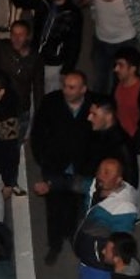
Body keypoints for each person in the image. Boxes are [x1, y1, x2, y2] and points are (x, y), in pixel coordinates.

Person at [31, 71, 92, 265]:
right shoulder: (51, 102)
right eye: (65, 86)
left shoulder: (93, 106)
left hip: (81, 169)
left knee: (78, 208)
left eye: (72, 87)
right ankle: (55, 244)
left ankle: (75, 238)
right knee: (54, 208)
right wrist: (43, 160)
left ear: (83, 89)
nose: (66, 91)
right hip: (56, 168)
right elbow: (38, 133)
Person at [0, 5, 42, 133]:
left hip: (20, 109)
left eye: (21, 35)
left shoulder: (35, 59)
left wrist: (39, 116)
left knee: (16, 138)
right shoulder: (4, 48)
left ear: (28, 36)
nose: (16, 38)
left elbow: (38, 88)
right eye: (13, 34)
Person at [11, 0, 83, 93]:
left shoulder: (72, 14)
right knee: (30, 89)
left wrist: (66, 70)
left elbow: (74, 44)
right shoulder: (43, 2)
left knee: (50, 93)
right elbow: (17, 0)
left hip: (53, 63)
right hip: (35, 56)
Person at [112, 46, 140, 212]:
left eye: (120, 65)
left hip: (133, 142)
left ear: (132, 69)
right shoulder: (118, 82)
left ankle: (134, 210)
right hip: (119, 137)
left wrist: (136, 145)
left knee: (134, 177)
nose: (116, 69)